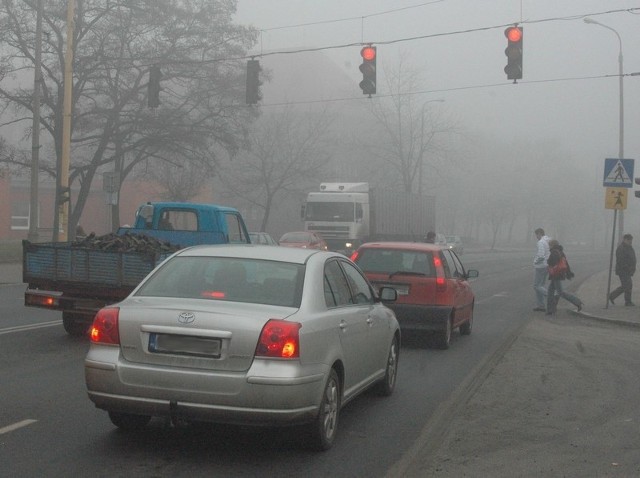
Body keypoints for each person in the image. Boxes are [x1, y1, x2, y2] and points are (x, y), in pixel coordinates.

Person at [546, 239, 582, 315]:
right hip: (558, 274)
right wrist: (568, 273)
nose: (548, 246)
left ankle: (577, 302)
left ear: (552, 245)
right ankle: (550, 310)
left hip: (556, 275)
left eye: (549, 245)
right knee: (550, 292)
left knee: (561, 292)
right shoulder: (560, 251)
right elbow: (565, 263)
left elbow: (552, 262)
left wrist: (548, 261)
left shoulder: (554, 252)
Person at [609, 233, 636, 306]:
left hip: (628, 270)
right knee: (628, 285)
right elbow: (621, 261)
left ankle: (611, 296)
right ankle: (627, 302)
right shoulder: (621, 248)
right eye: (629, 240)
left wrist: (633, 268)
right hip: (623, 270)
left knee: (626, 285)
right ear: (624, 240)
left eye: (631, 240)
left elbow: (633, 258)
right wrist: (628, 268)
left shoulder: (629, 247)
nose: (630, 242)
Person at [533, 227, 550, 312]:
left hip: (541, 266)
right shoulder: (548, 241)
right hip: (547, 265)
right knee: (541, 285)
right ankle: (541, 305)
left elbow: (541, 255)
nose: (536, 236)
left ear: (539, 233)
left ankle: (551, 296)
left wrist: (535, 262)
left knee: (536, 286)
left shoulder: (541, 242)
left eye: (536, 234)